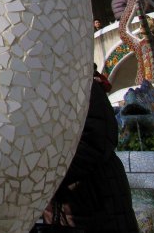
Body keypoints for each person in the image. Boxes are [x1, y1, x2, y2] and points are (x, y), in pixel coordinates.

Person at [40, 76, 138, 232]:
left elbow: (96, 140)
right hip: (62, 207)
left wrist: (44, 176)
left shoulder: (81, 81)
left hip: (96, 200)